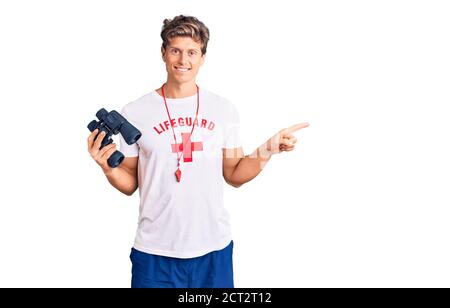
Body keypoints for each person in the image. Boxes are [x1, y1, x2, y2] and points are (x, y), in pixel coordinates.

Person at [87, 15, 309, 288]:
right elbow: (131, 183)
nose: (183, 60)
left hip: (213, 250)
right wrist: (108, 167)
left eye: (192, 52)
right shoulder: (136, 112)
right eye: (175, 50)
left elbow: (235, 174)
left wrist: (268, 149)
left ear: (203, 57)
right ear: (163, 53)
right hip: (155, 253)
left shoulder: (223, 109)